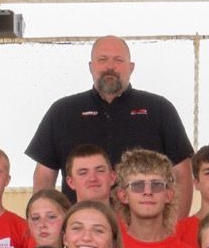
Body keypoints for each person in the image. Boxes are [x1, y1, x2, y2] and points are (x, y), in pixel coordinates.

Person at [27, 34, 193, 212]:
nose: (110, 66)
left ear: (131, 67)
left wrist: (177, 228)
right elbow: (44, 177)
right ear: (91, 67)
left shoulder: (159, 109)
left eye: (118, 60)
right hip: (80, 230)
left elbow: (182, 175)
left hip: (145, 230)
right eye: (102, 59)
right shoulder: (62, 111)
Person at [115, 149, 184, 248]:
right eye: (138, 185)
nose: (147, 192)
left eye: (157, 185)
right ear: (123, 196)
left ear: (168, 195)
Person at [64, 140, 119, 205]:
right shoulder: (61, 215)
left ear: (112, 177)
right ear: (71, 182)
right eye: (83, 173)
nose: (92, 179)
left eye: (100, 171)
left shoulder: (131, 215)